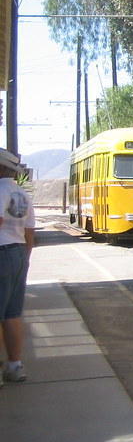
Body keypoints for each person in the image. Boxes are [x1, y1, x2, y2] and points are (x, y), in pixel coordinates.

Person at [0, 148, 34, 385]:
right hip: (18, 251)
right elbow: (29, 231)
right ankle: (15, 366)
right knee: (12, 315)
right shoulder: (22, 194)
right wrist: (26, 257)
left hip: (1, 252)